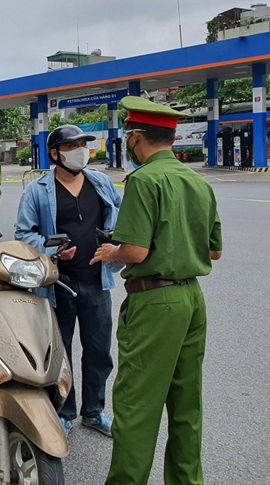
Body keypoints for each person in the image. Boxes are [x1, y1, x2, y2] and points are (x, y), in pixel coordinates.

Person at [90, 97, 222, 485]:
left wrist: (112, 249)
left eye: (129, 135)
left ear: (135, 137)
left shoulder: (144, 180)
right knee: (186, 405)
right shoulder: (197, 181)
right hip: (191, 300)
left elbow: (135, 251)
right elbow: (214, 249)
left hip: (155, 301)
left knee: (136, 407)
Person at [15, 125, 123, 438]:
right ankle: (65, 411)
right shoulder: (37, 190)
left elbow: (119, 215)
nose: (81, 151)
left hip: (97, 282)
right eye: (73, 145)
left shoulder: (100, 182)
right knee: (60, 353)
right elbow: (23, 234)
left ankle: (94, 411)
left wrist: (115, 246)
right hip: (58, 286)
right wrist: (53, 248)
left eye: (83, 144)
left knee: (99, 351)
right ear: (55, 154)